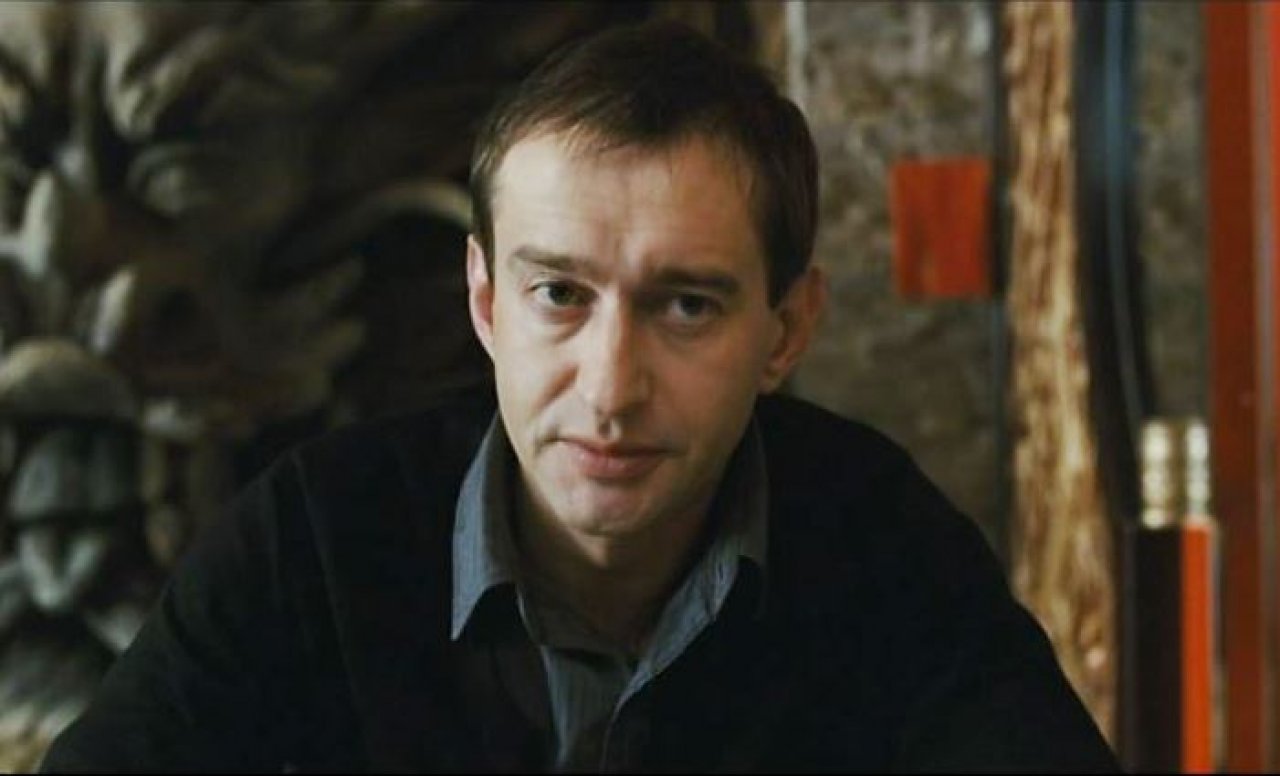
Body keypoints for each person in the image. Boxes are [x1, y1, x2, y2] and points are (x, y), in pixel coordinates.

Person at [41, 20, 1121, 773]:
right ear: (484, 301)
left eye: (686, 306)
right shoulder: (315, 537)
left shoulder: (879, 540)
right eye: (559, 294)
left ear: (786, 329)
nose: (610, 389)